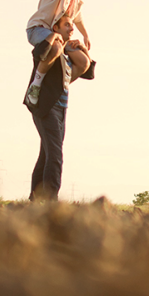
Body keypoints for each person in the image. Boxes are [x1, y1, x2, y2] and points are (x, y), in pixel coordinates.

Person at [25, 0, 103, 106]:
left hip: (60, 36)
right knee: (55, 47)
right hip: (39, 29)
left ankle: (58, 88)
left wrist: (85, 34)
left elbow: (76, 15)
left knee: (84, 62)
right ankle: (36, 85)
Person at [24, 14, 90, 201]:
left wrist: (82, 47)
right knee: (55, 154)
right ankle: (50, 199)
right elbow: (39, 53)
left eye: (72, 25)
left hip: (61, 109)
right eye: (67, 25)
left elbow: (88, 70)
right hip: (45, 107)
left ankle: (36, 198)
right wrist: (53, 38)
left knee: (46, 153)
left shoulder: (66, 55)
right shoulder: (51, 50)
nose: (72, 28)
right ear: (56, 28)